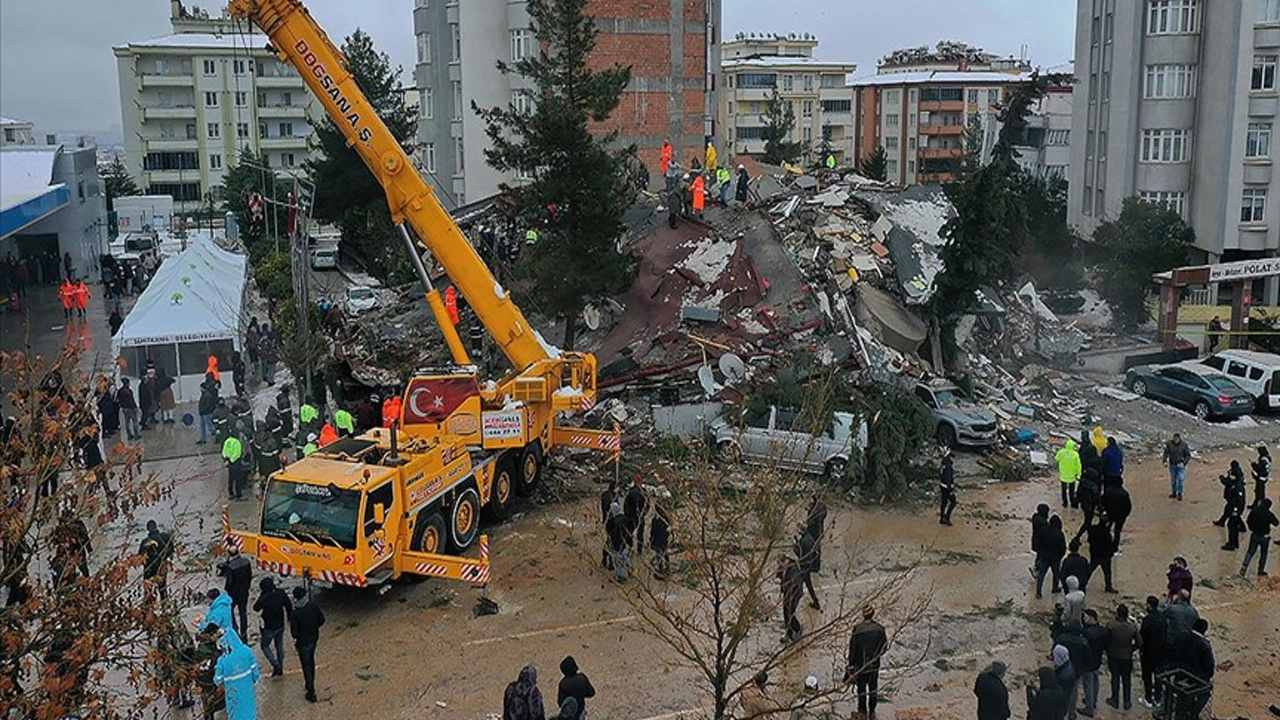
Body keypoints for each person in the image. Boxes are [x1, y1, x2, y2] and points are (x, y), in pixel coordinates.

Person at [846, 604, 888, 718]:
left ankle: (862, 711)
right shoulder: (880, 629)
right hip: (874, 664)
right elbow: (884, 647)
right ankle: (872, 711)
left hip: (861, 665)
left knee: (862, 689)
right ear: (873, 614)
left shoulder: (857, 630)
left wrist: (851, 664)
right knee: (873, 688)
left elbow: (852, 650)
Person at [212, 625, 260, 720]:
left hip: (233, 695)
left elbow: (217, 680)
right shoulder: (247, 652)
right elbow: (255, 674)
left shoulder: (222, 661)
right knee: (249, 713)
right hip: (247, 691)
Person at [1170, 618, 1214, 718]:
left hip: (1179, 675)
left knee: (1182, 701)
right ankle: (1192, 713)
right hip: (1196, 679)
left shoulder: (1182, 637)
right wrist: (1206, 678)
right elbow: (1209, 666)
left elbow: (1173, 653)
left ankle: (1181, 714)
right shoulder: (1204, 645)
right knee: (1206, 693)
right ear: (1204, 631)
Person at [290, 586, 325, 702]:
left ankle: (311, 690)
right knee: (311, 661)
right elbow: (322, 620)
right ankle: (311, 684)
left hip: (302, 643)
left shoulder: (295, 613)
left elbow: (294, 633)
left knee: (306, 665)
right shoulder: (313, 606)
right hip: (314, 639)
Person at [253, 577, 292, 677]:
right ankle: (280, 666)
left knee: (264, 646)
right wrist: (289, 617)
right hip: (280, 624)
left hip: (269, 626)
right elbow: (288, 605)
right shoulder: (280, 593)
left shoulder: (264, 598)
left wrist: (262, 596)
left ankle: (275, 664)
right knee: (279, 645)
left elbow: (256, 608)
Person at [1105, 603, 1139, 711]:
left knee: (1114, 678)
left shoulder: (1111, 625)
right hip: (1126, 657)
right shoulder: (1132, 627)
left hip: (1114, 656)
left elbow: (1106, 640)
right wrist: (1131, 649)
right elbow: (1139, 643)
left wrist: (1108, 650)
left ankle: (1115, 700)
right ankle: (1127, 701)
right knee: (1126, 679)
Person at [1138, 596, 1168, 709]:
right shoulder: (1163, 617)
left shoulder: (1147, 620)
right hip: (1161, 652)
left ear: (1149, 605)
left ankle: (1148, 699)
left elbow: (1142, 637)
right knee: (1159, 675)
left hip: (1148, 653)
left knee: (1147, 676)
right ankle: (1158, 698)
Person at [218, 547, 253, 641]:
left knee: (230, 611)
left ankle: (235, 629)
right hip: (244, 592)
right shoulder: (246, 562)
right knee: (243, 612)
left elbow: (230, 582)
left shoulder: (231, 567)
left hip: (233, 593)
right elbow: (250, 576)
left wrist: (226, 589)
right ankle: (244, 633)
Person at [1078, 610, 1108, 717]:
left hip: (1087, 662)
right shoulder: (1103, 631)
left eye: (1085, 617)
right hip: (1097, 660)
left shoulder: (1086, 632)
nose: (1084, 619)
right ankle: (1093, 702)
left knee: (1088, 684)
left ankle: (1089, 708)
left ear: (1091, 618)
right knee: (1096, 680)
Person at [1055, 626, 1087, 720]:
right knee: (1074, 691)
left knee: (1062, 693)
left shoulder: (1062, 638)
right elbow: (1087, 656)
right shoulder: (1083, 641)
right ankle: (1071, 712)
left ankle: (1061, 713)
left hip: (1064, 668)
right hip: (1077, 669)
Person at [1241, 497, 1278, 577]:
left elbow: (1248, 520)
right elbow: (1276, 523)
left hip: (1254, 534)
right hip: (1264, 537)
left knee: (1250, 552)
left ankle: (1244, 567)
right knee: (1263, 554)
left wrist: (1251, 528)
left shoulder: (1254, 510)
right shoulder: (1268, 514)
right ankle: (1260, 571)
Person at [139, 520, 173, 599]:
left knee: (148, 591)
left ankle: (148, 609)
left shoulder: (145, 542)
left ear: (147, 529)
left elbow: (141, 558)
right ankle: (165, 608)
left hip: (149, 569)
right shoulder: (165, 537)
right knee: (163, 589)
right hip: (162, 566)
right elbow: (171, 551)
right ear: (156, 526)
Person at [1036, 515, 1067, 599]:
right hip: (1055, 558)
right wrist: (1060, 556)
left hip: (1044, 556)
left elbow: (1038, 542)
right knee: (1056, 574)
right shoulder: (1059, 533)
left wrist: (1041, 553)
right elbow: (1063, 547)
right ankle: (1055, 588)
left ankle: (1038, 592)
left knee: (1041, 575)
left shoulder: (1043, 530)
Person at [1086, 515, 1118, 594]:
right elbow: (1110, 546)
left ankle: (1082, 582)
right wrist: (1111, 553)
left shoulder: (1093, 530)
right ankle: (1108, 587)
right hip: (1105, 556)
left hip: (1095, 555)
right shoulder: (1107, 534)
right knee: (1107, 572)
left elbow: (1089, 540)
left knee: (1090, 570)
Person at [555, 656, 594, 720]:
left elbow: (560, 703)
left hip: (568, 715)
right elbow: (591, 693)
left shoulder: (563, 684)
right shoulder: (582, 678)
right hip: (580, 712)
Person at [1100, 478, 1132, 553]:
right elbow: (1128, 506)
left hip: (1110, 514)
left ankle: (1105, 543)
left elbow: (1102, 501)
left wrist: (1105, 510)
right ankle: (1115, 547)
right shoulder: (1124, 493)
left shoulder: (1108, 491)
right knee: (1117, 532)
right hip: (1120, 516)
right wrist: (1125, 515)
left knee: (1107, 528)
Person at [795, 525, 820, 610]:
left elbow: (800, 554)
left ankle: (793, 605)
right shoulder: (809, 537)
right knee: (808, 585)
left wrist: (795, 546)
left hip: (803, 566)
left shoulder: (803, 541)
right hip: (809, 565)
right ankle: (816, 602)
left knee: (797, 584)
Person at [779, 556, 804, 643]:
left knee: (790, 613)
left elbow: (793, 585)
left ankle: (797, 629)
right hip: (787, 594)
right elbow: (780, 575)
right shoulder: (783, 567)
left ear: (787, 561)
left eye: (781, 563)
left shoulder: (793, 569)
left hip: (794, 594)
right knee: (786, 614)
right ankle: (788, 634)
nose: (780, 565)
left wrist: (789, 598)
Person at [1073, 468, 1101, 542]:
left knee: (1088, 521)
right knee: (1087, 522)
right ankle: (1077, 537)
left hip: (1084, 505)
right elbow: (1097, 498)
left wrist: (1076, 502)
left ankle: (1089, 537)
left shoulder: (1082, 483)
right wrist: (1100, 507)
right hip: (1090, 506)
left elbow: (1078, 494)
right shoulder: (1094, 486)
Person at [605, 501, 630, 581]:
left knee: (618, 559)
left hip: (617, 543)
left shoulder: (614, 522)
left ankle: (619, 575)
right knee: (623, 554)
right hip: (623, 541)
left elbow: (613, 535)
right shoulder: (625, 518)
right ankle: (630, 566)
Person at [1163, 433, 1191, 500]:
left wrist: (1184, 463)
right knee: (1173, 480)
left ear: (1179, 439)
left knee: (1180, 479)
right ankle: (1174, 492)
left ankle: (1180, 493)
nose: (1175, 441)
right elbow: (1166, 453)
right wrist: (1164, 461)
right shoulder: (1169, 444)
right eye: (1174, 439)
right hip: (1172, 464)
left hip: (1180, 465)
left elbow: (1188, 455)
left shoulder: (1184, 445)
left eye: (1177, 439)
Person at [1056, 439, 1082, 508]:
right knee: (1071, 491)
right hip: (1072, 476)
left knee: (1063, 490)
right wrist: (1079, 474)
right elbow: (1078, 465)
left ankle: (1065, 503)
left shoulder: (1061, 452)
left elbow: (1056, 458)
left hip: (1063, 475)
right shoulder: (1075, 454)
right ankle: (1072, 502)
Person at [624, 475, 647, 549]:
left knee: (629, 532)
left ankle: (630, 547)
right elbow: (647, 504)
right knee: (640, 534)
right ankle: (639, 549)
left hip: (631, 515)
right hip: (641, 515)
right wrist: (644, 513)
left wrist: (627, 514)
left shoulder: (631, 491)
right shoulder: (643, 491)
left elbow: (626, 504)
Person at [222, 430, 247, 500]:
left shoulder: (227, 441)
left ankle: (231, 493)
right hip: (236, 463)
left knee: (231, 478)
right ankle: (239, 495)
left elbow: (224, 451)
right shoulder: (237, 442)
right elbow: (237, 454)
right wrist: (231, 461)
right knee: (238, 479)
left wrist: (226, 460)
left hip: (228, 463)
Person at [649, 503, 670, 580]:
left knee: (659, 555)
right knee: (665, 553)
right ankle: (667, 569)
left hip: (658, 540)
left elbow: (653, 531)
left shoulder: (655, 520)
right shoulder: (666, 518)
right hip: (664, 539)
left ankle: (661, 571)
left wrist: (651, 539)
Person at [197, 374, 218, 445]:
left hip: (206, 412)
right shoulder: (208, 393)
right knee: (204, 425)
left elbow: (207, 405)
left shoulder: (207, 395)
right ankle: (203, 439)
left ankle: (217, 435)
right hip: (204, 412)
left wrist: (203, 411)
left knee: (210, 426)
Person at [939, 455, 957, 525]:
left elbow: (941, 475)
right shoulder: (948, 467)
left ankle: (942, 517)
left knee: (944, 502)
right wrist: (950, 490)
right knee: (953, 502)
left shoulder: (943, 464)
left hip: (942, 486)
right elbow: (948, 478)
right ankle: (947, 517)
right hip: (947, 487)